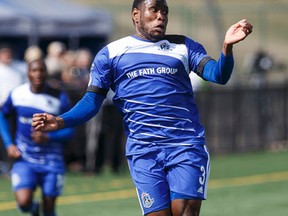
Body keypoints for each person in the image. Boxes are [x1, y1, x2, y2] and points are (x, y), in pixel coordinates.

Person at [31, 0, 253, 215]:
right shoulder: (110, 54)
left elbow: (218, 75)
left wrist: (226, 48)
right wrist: (61, 120)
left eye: (165, 11)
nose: (161, 16)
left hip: (185, 145)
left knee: (184, 211)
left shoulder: (184, 46)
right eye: (154, 9)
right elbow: (91, 102)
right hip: (144, 151)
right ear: (136, 15)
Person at [0, 59, 74, 216]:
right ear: (28, 73)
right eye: (34, 70)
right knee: (23, 203)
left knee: (49, 208)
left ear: (46, 73)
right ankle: (33, 209)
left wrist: (49, 137)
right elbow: (2, 116)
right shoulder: (17, 93)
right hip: (24, 158)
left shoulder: (59, 97)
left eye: (41, 70)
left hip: (52, 160)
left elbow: (70, 131)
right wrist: (9, 144)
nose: (38, 74)